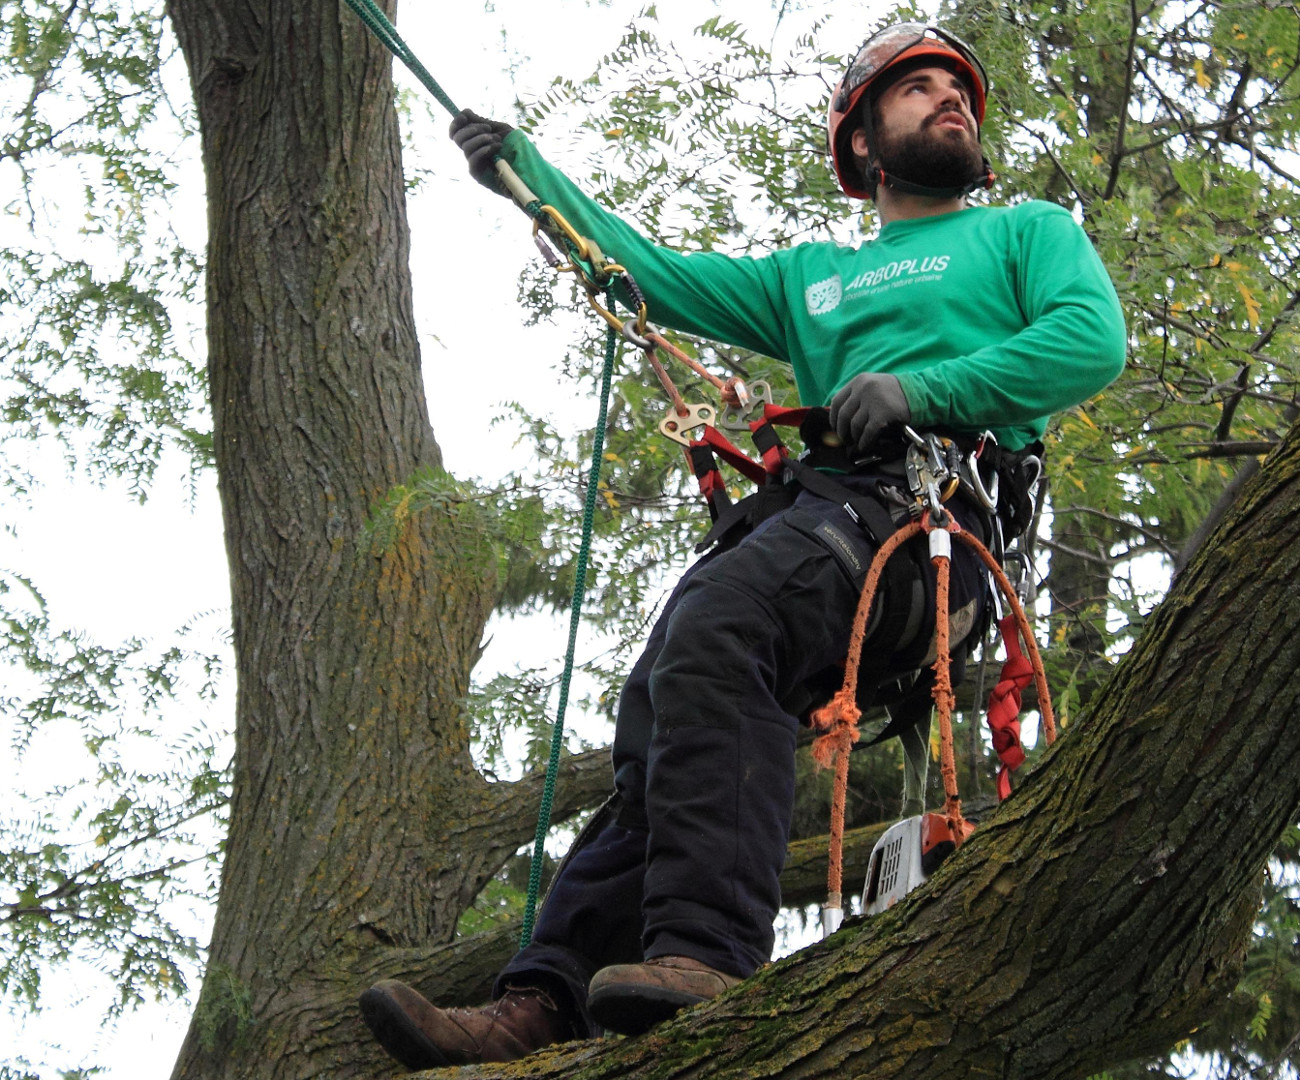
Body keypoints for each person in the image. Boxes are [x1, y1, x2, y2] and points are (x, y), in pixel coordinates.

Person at [358, 22, 1127, 1068]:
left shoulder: (1025, 234)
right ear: (863, 145)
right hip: (814, 514)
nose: (951, 98)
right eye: (918, 89)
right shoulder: (810, 278)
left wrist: (921, 389)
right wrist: (527, 175)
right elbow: (648, 273)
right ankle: (544, 997)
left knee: (725, 627)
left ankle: (709, 954)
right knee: (663, 718)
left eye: (958, 89)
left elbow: (1090, 340)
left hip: (926, 522)